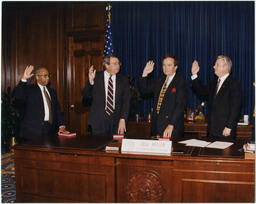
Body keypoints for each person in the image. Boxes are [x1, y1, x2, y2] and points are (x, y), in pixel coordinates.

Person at [191, 55, 242, 139]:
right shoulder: (214, 82)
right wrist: (194, 74)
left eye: (217, 65)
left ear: (225, 67)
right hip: (212, 130)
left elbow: (235, 108)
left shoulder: (234, 84)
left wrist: (229, 127)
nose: (214, 67)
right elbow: (202, 91)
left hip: (225, 131)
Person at [14, 65, 69, 140]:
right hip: (33, 132)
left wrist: (62, 126)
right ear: (37, 77)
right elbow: (18, 96)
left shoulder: (52, 92)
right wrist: (24, 79)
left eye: (48, 75)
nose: (48, 78)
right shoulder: (30, 89)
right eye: (45, 76)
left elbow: (57, 110)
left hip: (50, 130)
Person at [139, 55, 186, 139]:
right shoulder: (159, 80)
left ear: (175, 67)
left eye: (169, 65)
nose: (166, 68)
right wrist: (145, 73)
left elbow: (180, 106)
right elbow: (144, 90)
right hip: (156, 124)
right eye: (164, 65)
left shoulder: (180, 82)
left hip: (171, 126)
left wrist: (171, 124)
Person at [82, 55, 130, 136]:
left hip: (116, 122)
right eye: (115, 63)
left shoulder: (123, 80)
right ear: (107, 65)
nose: (118, 66)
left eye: (118, 63)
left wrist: (123, 119)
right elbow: (86, 96)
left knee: (115, 147)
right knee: (99, 147)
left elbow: (126, 101)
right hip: (98, 122)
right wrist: (90, 82)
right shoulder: (96, 77)